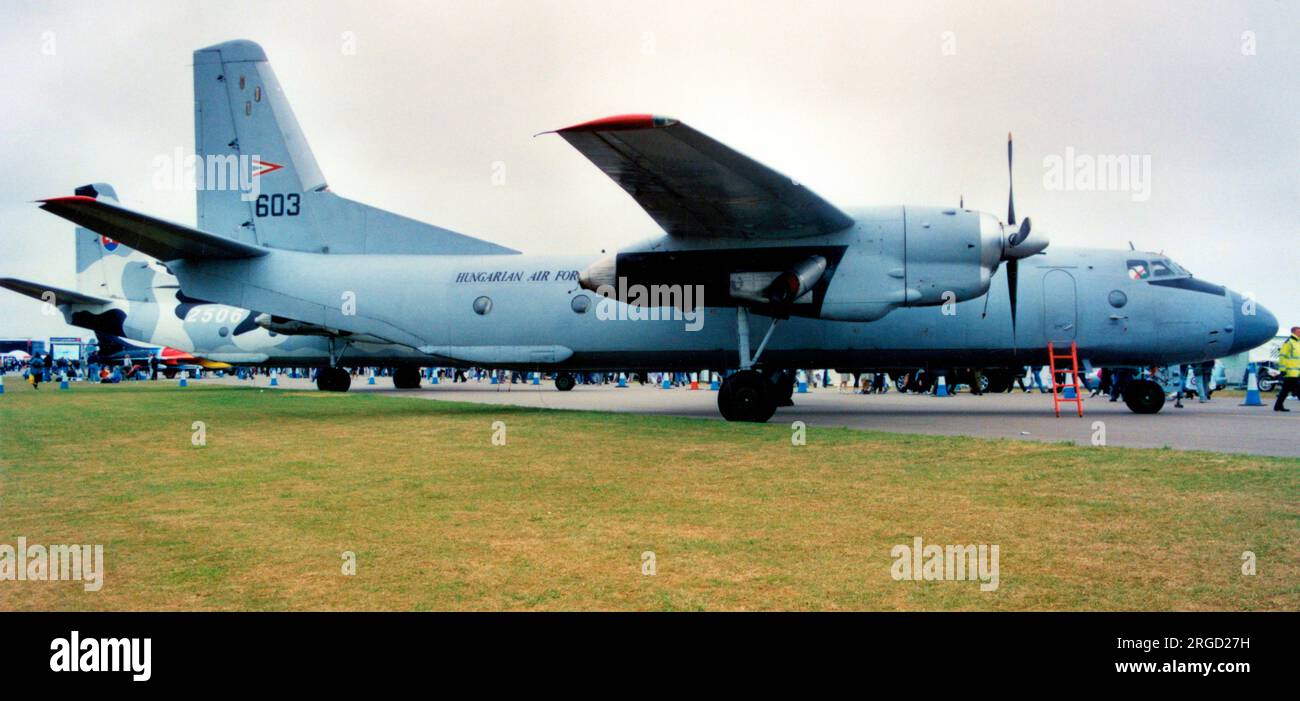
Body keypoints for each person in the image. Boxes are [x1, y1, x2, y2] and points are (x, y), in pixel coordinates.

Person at [1274, 326, 1300, 412]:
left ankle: (1278, 406)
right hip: (1290, 371)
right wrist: (1283, 369)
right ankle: (1278, 406)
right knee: (1298, 389)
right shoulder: (1288, 342)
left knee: (1285, 390)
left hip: (1296, 371)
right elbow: (1282, 356)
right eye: (1298, 331)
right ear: (1293, 332)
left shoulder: (1297, 343)